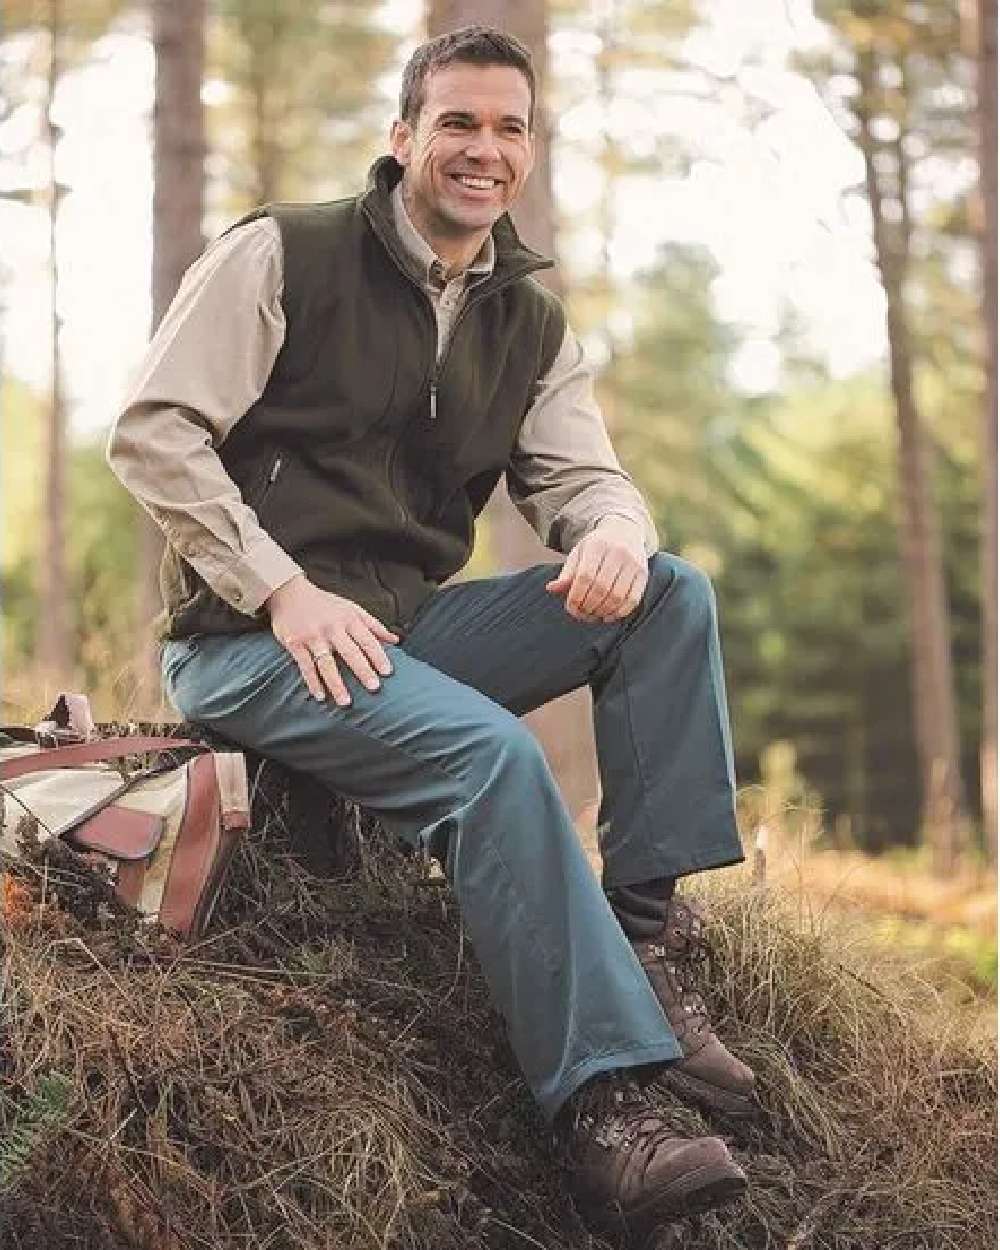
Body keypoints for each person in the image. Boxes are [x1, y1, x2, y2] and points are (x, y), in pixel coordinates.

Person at [108, 24, 756, 1240]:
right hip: (247, 642)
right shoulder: (281, 252)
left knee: (669, 591)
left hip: (403, 634)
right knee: (493, 759)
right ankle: (606, 1110)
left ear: (529, 151)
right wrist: (279, 586)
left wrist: (614, 526)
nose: (484, 148)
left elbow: (587, 482)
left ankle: (645, 946)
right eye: (457, 121)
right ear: (403, 135)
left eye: (509, 127)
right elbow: (151, 431)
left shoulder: (528, 320)